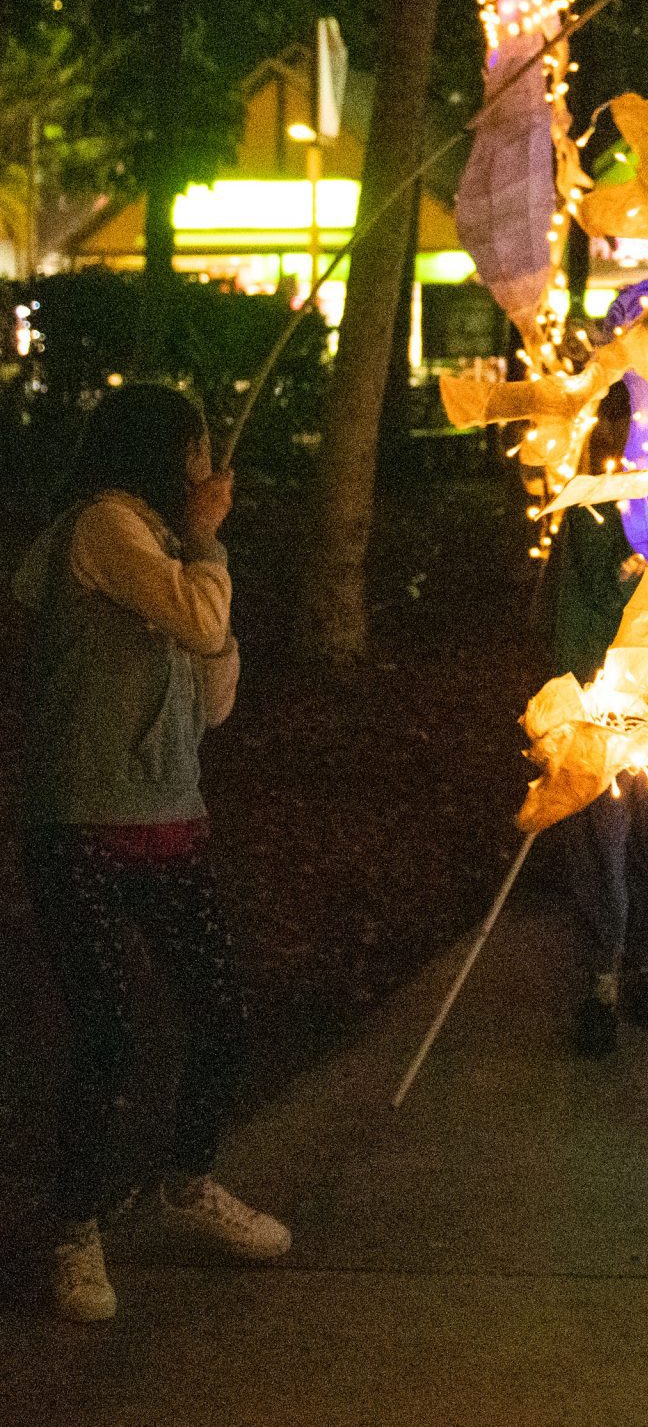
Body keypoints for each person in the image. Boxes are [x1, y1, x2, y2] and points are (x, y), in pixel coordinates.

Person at [16, 384, 287, 1322]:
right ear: (159, 450)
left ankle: (188, 1179)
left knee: (220, 1010)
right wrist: (208, 544)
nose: (207, 461)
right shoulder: (104, 529)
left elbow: (213, 696)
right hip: (82, 817)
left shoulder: (165, 551)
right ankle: (74, 1230)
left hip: (171, 814)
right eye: (197, 444)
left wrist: (205, 576)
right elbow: (200, 618)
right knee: (106, 1027)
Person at [552, 385, 648, 1057]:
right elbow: (582, 604)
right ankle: (603, 978)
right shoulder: (589, 510)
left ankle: (647, 966)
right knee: (603, 844)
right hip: (603, 705)